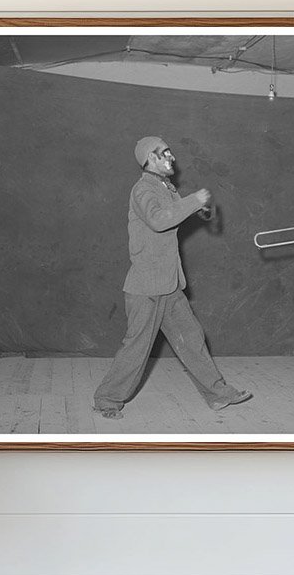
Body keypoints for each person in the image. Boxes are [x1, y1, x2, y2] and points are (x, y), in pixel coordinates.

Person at [92, 136, 252, 419]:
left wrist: (201, 210)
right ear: (150, 159)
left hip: (168, 284)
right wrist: (194, 200)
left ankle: (217, 394)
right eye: (165, 153)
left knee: (191, 337)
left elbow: (175, 213)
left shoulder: (165, 187)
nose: (172, 158)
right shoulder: (143, 190)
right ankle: (107, 400)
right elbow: (159, 220)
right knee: (137, 346)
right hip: (147, 286)